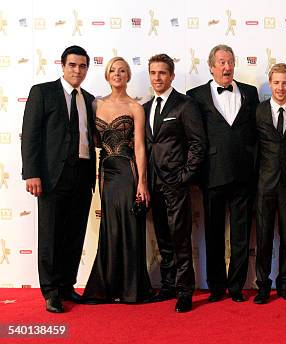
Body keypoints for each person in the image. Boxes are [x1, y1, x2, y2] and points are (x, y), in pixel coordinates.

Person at [22, 45, 96, 313]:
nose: (77, 70)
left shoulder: (89, 99)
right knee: (51, 234)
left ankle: (67, 286)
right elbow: (30, 135)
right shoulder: (42, 92)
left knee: (74, 234)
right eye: (73, 65)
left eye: (83, 66)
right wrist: (32, 173)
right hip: (52, 177)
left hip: (82, 175)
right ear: (63, 66)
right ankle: (51, 291)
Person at [187, 45, 259, 303]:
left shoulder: (250, 93)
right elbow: (192, 137)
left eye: (230, 62)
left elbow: (256, 133)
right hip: (212, 174)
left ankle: (237, 287)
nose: (226, 67)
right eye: (221, 62)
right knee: (214, 234)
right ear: (211, 66)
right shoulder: (194, 95)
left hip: (243, 174)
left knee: (241, 234)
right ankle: (217, 287)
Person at [82, 57, 154, 304]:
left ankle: (132, 289)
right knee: (110, 227)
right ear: (107, 74)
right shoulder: (95, 104)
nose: (117, 74)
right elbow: (91, 139)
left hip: (128, 171)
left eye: (122, 70)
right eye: (113, 70)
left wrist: (142, 182)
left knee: (130, 225)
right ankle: (108, 286)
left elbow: (140, 147)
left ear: (128, 76)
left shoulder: (136, 107)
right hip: (106, 172)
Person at [144, 54, 205, 313]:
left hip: (175, 183)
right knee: (163, 238)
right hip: (153, 183)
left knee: (180, 238)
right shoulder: (145, 107)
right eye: (153, 73)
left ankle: (184, 291)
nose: (157, 77)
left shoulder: (185, 104)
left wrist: (183, 176)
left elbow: (197, 144)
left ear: (171, 76)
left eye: (162, 73)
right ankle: (168, 285)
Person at [253, 64, 286, 304]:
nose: (280, 87)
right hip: (264, 184)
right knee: (262, 237)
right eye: (276, 82)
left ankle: (285, 284)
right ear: (270, 83)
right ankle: (263, 285)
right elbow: (252, 149)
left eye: (285, 82)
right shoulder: (258, 111)